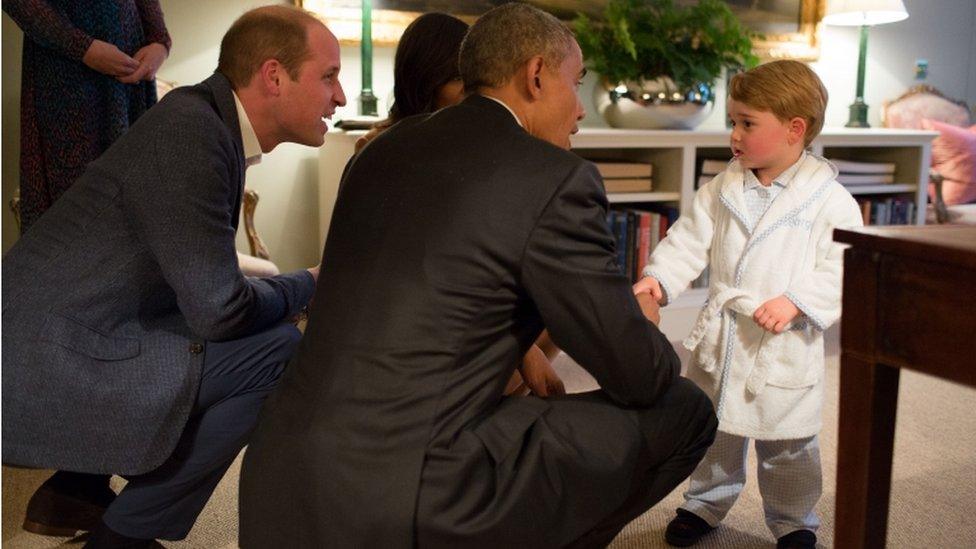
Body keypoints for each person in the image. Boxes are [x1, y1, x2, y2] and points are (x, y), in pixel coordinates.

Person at [239, 4, 717, 547]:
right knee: (685, 409)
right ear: (536, 75)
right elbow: (639, 375)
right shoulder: (556, 179)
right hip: (407, 496)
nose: (580, 110)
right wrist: (644, 322)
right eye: (575, 83)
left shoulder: (378, 150)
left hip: (280, 474)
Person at [1, 5, 346, 548]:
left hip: (76, 334)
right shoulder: (193, 133)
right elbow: (221, 311)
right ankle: (121, 539)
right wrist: (312, 280)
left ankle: (78, 492)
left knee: (255, 338)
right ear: (274, 76)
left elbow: (200, 286)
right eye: (329, 76)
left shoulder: (202, 121)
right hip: (44, 360)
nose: (341, 97)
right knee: (276, 352)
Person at [632, 60, 863, 549]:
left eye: (747, 123)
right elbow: (686, 241)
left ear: (794, 130)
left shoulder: (829, 199)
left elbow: (845, 265)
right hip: (727, 336)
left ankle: (795, 520)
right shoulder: (723, 188)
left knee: (789, 445)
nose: (734, 135)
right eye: (732, 122)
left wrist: (797, 302)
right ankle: (704, 502)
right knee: (717, 431)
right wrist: (658, 281)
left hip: (784, 342)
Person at [355, 11, 561, 396]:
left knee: (553, 301)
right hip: (409, 313)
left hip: (460, 299)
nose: (474, 96)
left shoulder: (474, 144)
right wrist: (523, 349)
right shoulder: (381, 150)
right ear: (427, 82)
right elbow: (426, 273)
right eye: (462, 82)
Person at [2, 0, 171, 232]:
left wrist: (159, 41)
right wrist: (82, 48)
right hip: (67, 75)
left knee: (137, 198)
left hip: (132, 73)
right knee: (76, 210)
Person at [354, 11, 469, 153]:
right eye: (457, 78)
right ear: (426, 80)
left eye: (472, 76)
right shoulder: (376, 146)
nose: (470, 88)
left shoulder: (478, 140)